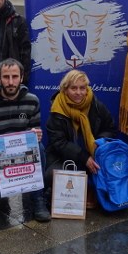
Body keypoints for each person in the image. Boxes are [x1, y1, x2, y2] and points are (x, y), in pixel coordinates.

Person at [0, 58, 50, 222]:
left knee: (40, 147)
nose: (10, 82)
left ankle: (38, 199)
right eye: (6, 77)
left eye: (15, 77)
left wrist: (34, 134)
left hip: (21, 156)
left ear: (21, 78)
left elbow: (34, 132)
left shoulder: (32, 101)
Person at [45, 70, 118, 209]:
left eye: (82, 88)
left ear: (87, 89)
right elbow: (59, 143)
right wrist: (83, 157)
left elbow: (110, 129)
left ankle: (91, 193)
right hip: (64, 157)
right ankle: (63, 195)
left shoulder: (96, 105)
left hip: (94, 154)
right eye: (73, 88)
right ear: (65, 90)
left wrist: (98, 146)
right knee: (52, 174)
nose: (78, 92)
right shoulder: (57, 110)